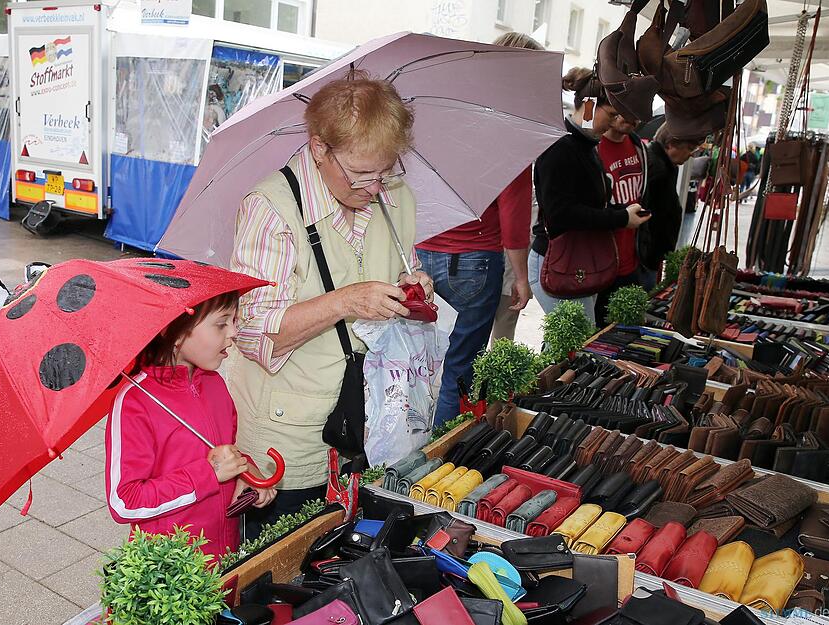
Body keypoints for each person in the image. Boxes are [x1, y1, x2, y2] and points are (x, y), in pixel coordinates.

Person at [228, 73, 433, 536]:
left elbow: (402, 263)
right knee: (281, 566)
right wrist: (345, 301)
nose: (375, 187)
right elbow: (255, 332)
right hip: (291, 433)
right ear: (319, 149)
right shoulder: (271, 208)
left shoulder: (394, 197)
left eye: (386, 171)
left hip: (369, 418)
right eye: (361, 174)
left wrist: (413, 284)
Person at [417, 32, 540, 426]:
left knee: (422, 364)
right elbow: (515, 212)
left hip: (423, 254)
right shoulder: (510, 126)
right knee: (459, 366)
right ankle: (437, 456)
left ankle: (414, 447)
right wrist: (521, 277)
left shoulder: (449, 112)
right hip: (473, 260)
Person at [104, 292, 277, 562]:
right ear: (175, 332)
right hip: (173, 572)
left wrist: (245, 470)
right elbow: (125, 502)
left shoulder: (214, 384)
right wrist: (208, 474)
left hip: (225, 553)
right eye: (221, 324)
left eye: (234, 320)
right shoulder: (135, 401)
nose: (233, 331)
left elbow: (224, 451)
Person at [529, 67, 650, 324]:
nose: (613, 122)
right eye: (612, 113)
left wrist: (620, 214)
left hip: (575, 260)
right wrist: (619, 218)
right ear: (589, 105)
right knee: (572, 342)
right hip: (558, 260)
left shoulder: (586, 146)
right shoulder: (561, 147)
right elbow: (561, 214)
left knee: (569, 342)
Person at [593, 113, 648, 327]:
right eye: (625, 107)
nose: (632, 115)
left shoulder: (638, 147)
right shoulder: (593, 148)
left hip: (631, 260)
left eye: (639, 109)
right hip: (597, 262)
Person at [637, 124, 704, 290]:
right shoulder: (658, 168)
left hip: (651, 254)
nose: (690, 155)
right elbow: (649, 214)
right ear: (670, 144)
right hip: (647, 255)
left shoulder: (664, 165)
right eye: (688, 148)